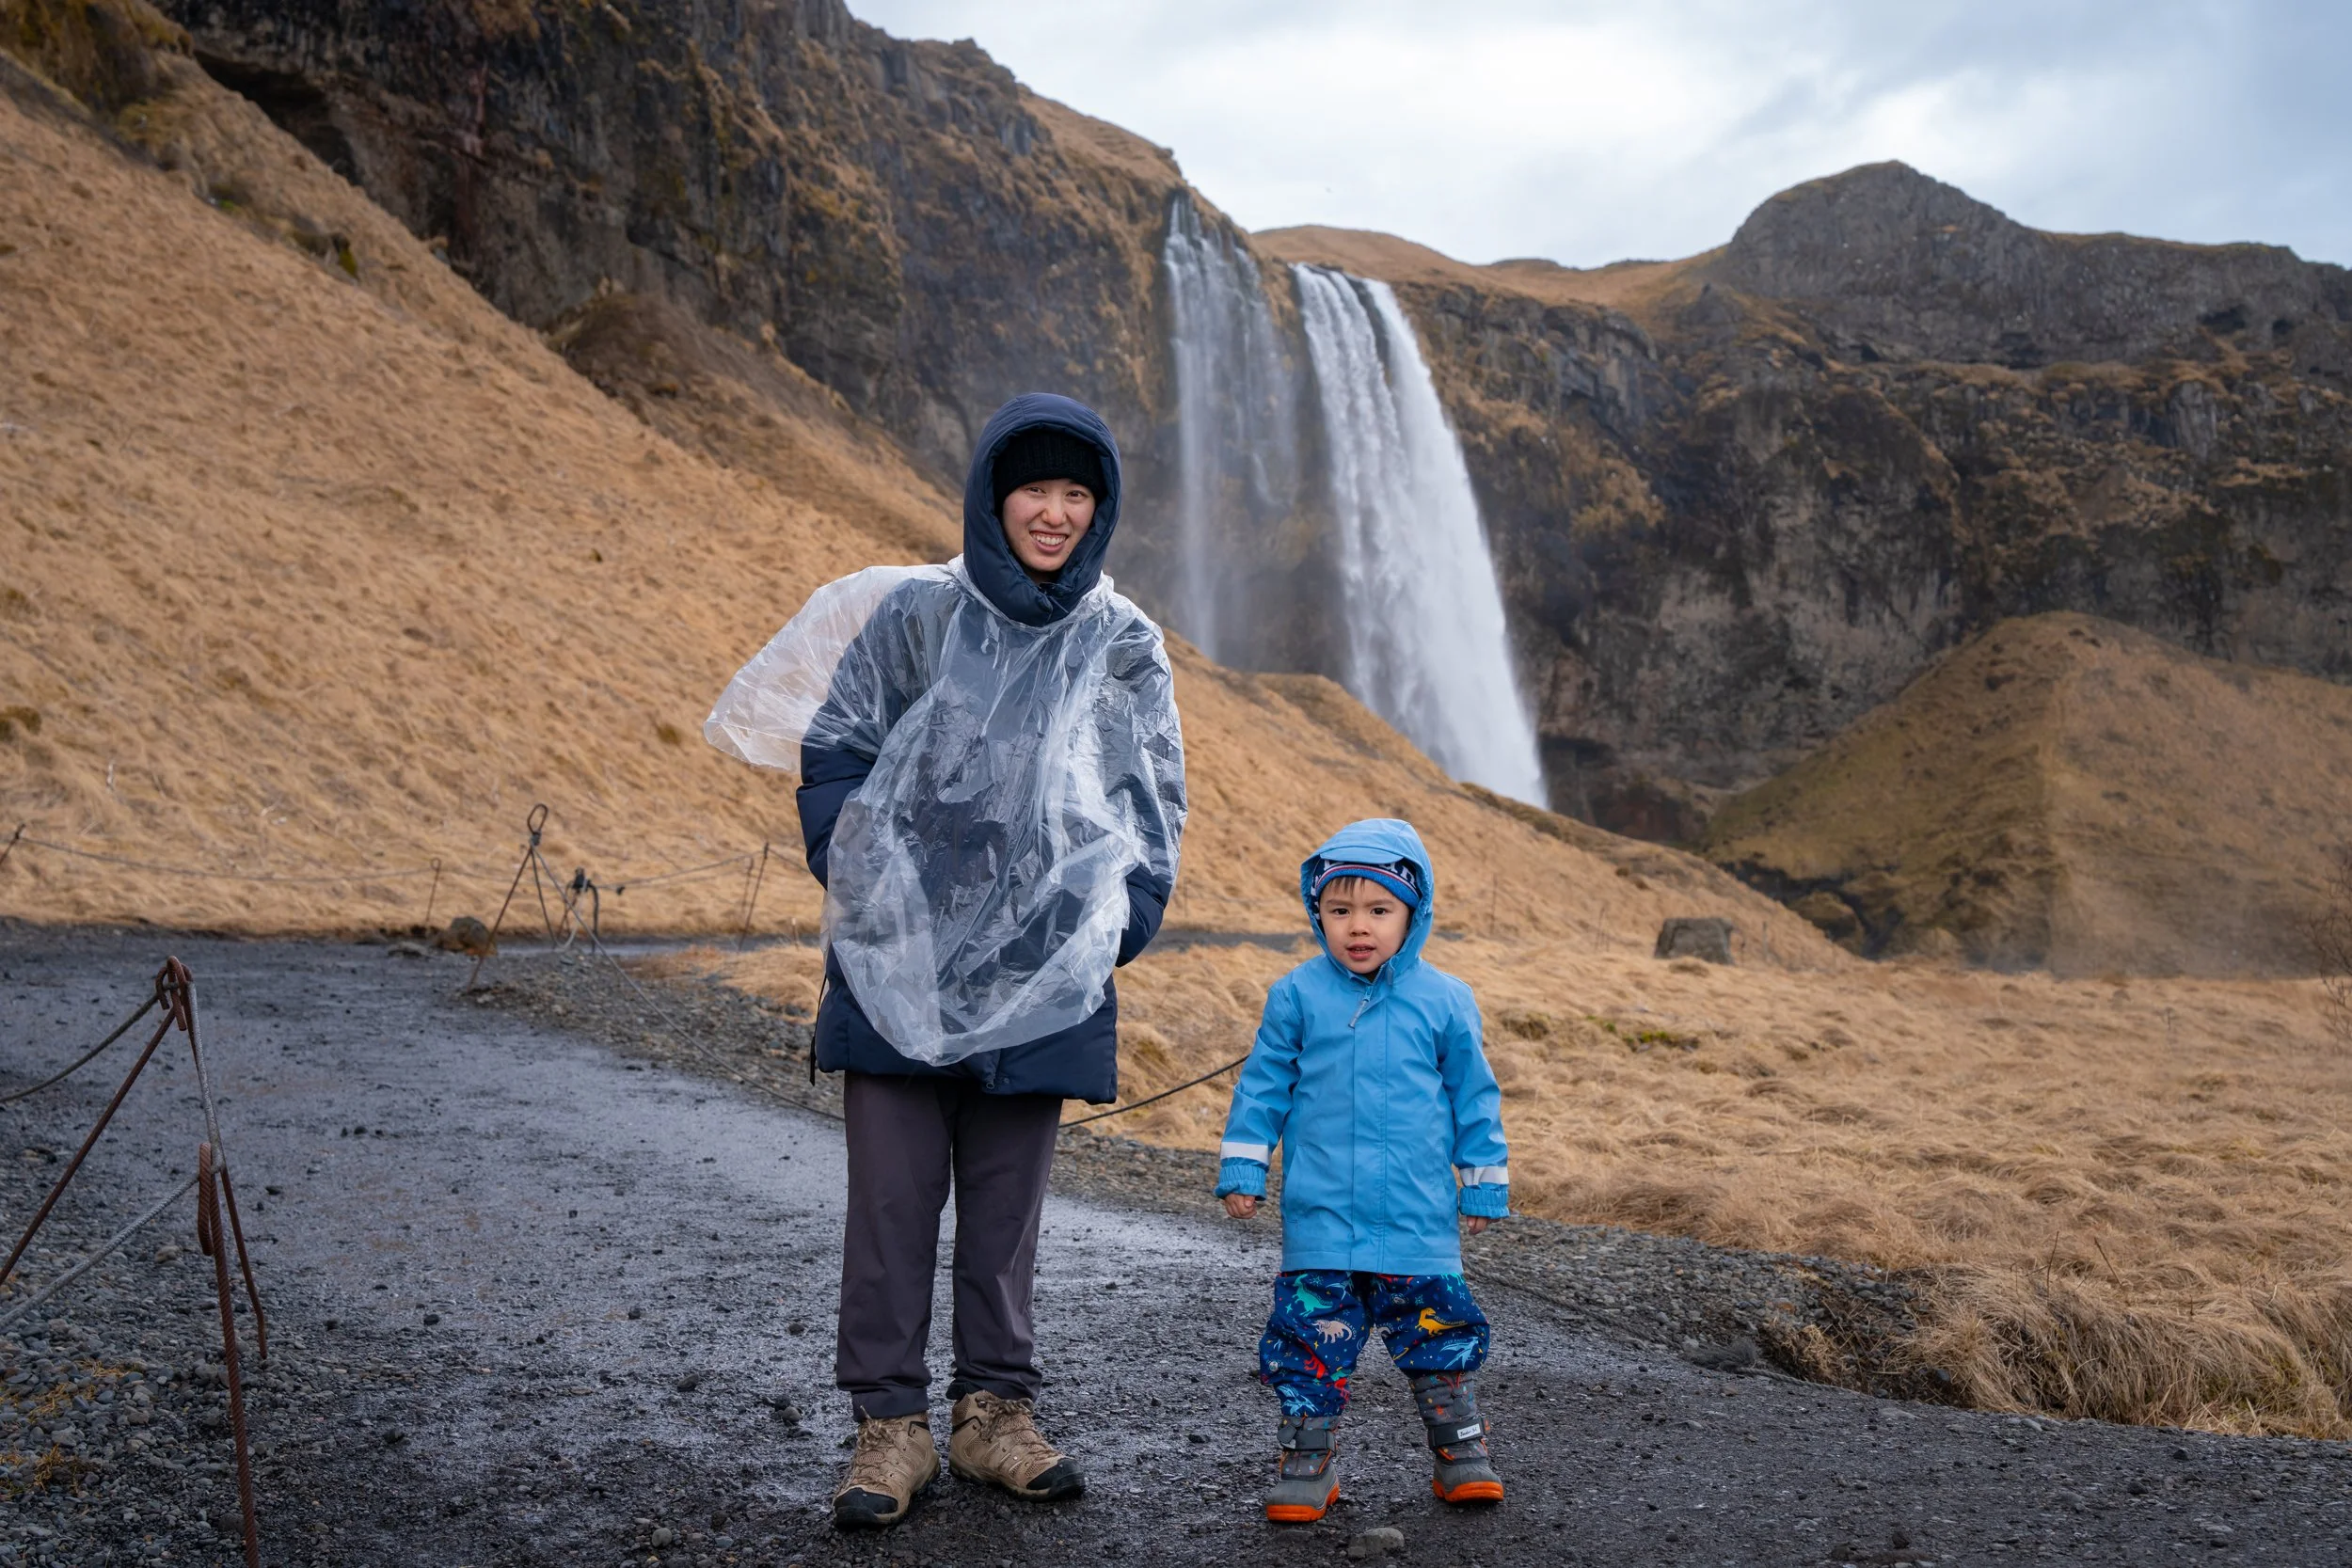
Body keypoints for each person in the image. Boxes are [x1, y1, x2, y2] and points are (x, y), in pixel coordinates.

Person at [704, 392, 1185, 1529]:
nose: (1056, 511)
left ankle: (994, 1417)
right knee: (891, 1202)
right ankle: (890, 1429)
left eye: (1080, 493)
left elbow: (1148, 799)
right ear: (990, 495)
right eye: (1036, 488)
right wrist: (865, 882)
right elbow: (835, 751)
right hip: (898, 965)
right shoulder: (916, 616)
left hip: (1043, 975)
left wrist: (1114, 927)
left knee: (1007, 1211)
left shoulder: (1120, 641)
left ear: (1102, 508)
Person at [1215, 817, 1509, 1523]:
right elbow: (1262, 1089)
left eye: (1379, 910)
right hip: (1322, 1220)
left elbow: (1475, 1094)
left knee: (1440, 1334)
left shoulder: (1445, 999)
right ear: (1316, 912)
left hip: (1417, 1219)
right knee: (1308, 1342)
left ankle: (1459, 1446)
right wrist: (1243, 1169)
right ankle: (1307, 1459)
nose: (1358, 927)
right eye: (1339, 910)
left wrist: (1484, 1179)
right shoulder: (1296, 994)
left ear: (1414, 912)